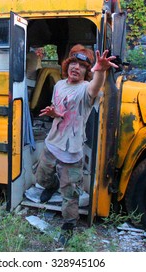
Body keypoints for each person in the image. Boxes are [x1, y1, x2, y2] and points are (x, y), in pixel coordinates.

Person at [34, 44, 118, 246]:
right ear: (67, 65)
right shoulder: (59, 85)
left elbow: (95, 87)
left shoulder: (86, 90)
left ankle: (68, 225)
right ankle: (51, 185)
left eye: (81, 66)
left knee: (70, 192)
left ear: (87, 71)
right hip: (53, 142)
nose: (75, 68)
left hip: (72, 150)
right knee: (42, 177)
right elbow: (60, 108)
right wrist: (55, 113)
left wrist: (100, 71)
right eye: (73, 63)